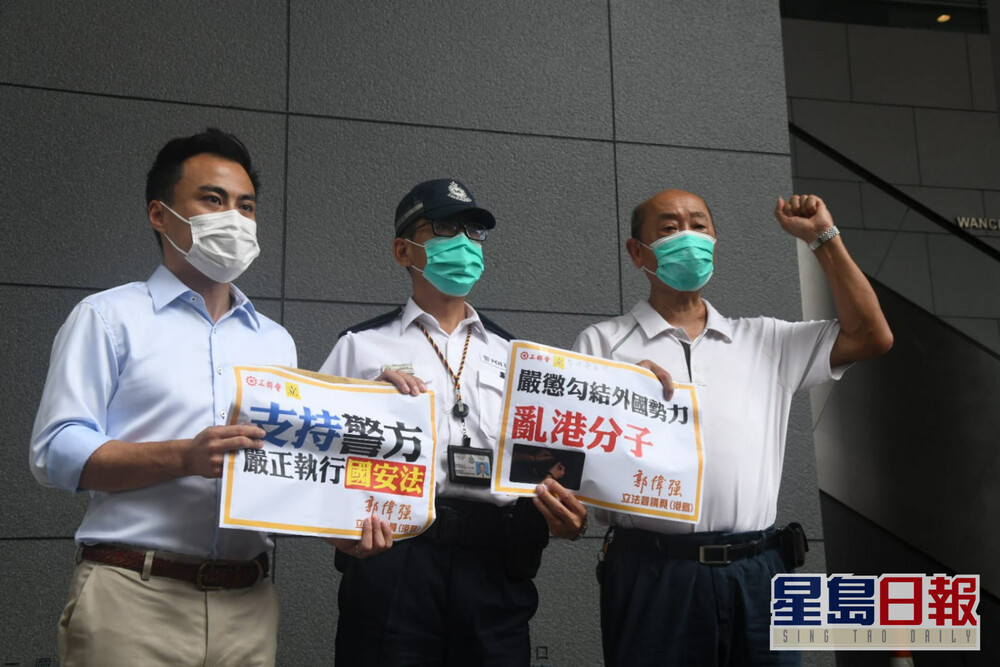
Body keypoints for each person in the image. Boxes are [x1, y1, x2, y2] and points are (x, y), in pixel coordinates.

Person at [29, 128, 390, 667]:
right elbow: (55, 452)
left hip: (248, 604)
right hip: (133, 595)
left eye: (246, 206)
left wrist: (338, 527)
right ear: (160, 214)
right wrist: (184, 457)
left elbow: (283, 471)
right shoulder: (109, 317)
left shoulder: (274, 341)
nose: (234, 219)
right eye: (213, 200)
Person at [574, 189, 893, 666]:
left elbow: (872, 336)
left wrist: (823, 238)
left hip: (761, 569)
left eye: (699, 226)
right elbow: (570, 458)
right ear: (637, 252)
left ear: (715, 243)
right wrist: (622, 394)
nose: (688, 237)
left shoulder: (766, 338)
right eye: (669, 228)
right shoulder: (602, 344)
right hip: (654, 571)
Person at [319, 178, 589, 666]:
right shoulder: (360, 347)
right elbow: (314, 453)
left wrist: (566, 510)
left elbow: (544, 461)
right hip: (395, 555)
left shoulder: (518, 357)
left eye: (473, 231)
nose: (464, 242)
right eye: (444, 228)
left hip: (495, 562)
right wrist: (366, 405)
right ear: (404, 250)